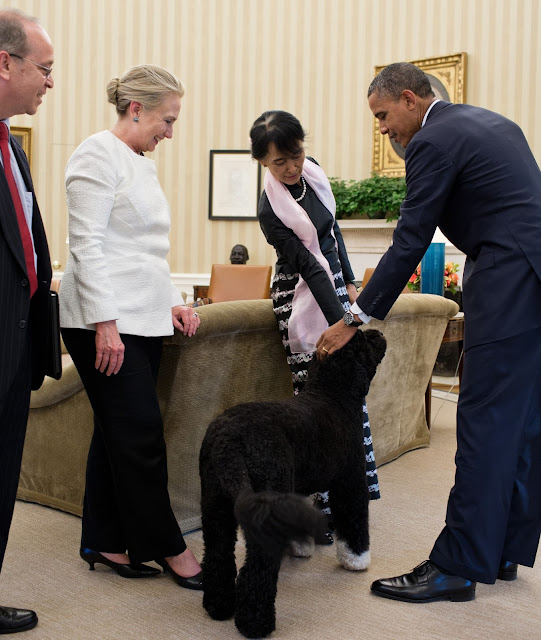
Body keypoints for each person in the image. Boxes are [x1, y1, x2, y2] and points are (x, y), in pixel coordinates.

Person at [317, 62, 541, 602]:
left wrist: (356, 319)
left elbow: (410, 238)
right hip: (533, 275)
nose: (382, 128)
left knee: (485, 423)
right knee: (522, 423)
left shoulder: (432, 140)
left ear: (412, 99)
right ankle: (503, 549)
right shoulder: (493, 123)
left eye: (383, 115)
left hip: (508, 279)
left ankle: (459, 565)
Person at [59, 65, 203, 591]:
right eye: (167, 119)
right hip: (102, 319)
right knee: (140, 434)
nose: (171, 131)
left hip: (141, 317)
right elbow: (88, 247)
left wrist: (173, 301)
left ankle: (106, 540)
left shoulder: (140, 161)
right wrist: (106, 325)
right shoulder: (95, 154)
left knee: (116, 431)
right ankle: (170, 548)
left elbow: (146, 250)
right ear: (136, 109)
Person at [250, 110, 380, 541]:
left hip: (335, 290)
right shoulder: (270, 209)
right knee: (317, 404)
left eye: (296, 155)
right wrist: (340, 321)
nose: (291, 168)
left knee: (348, 399)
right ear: (263, 164)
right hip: (300, 296)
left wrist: (351, 282)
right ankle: (320, 509)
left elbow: (332, 233)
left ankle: (347, 498)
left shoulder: (315, 174)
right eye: (278, 163)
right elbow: (306, 262)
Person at [0, 9, 54, 634]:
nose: (48, 82)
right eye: (44, 69)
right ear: (5, 62)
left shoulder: (12, 146)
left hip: (14, 353)